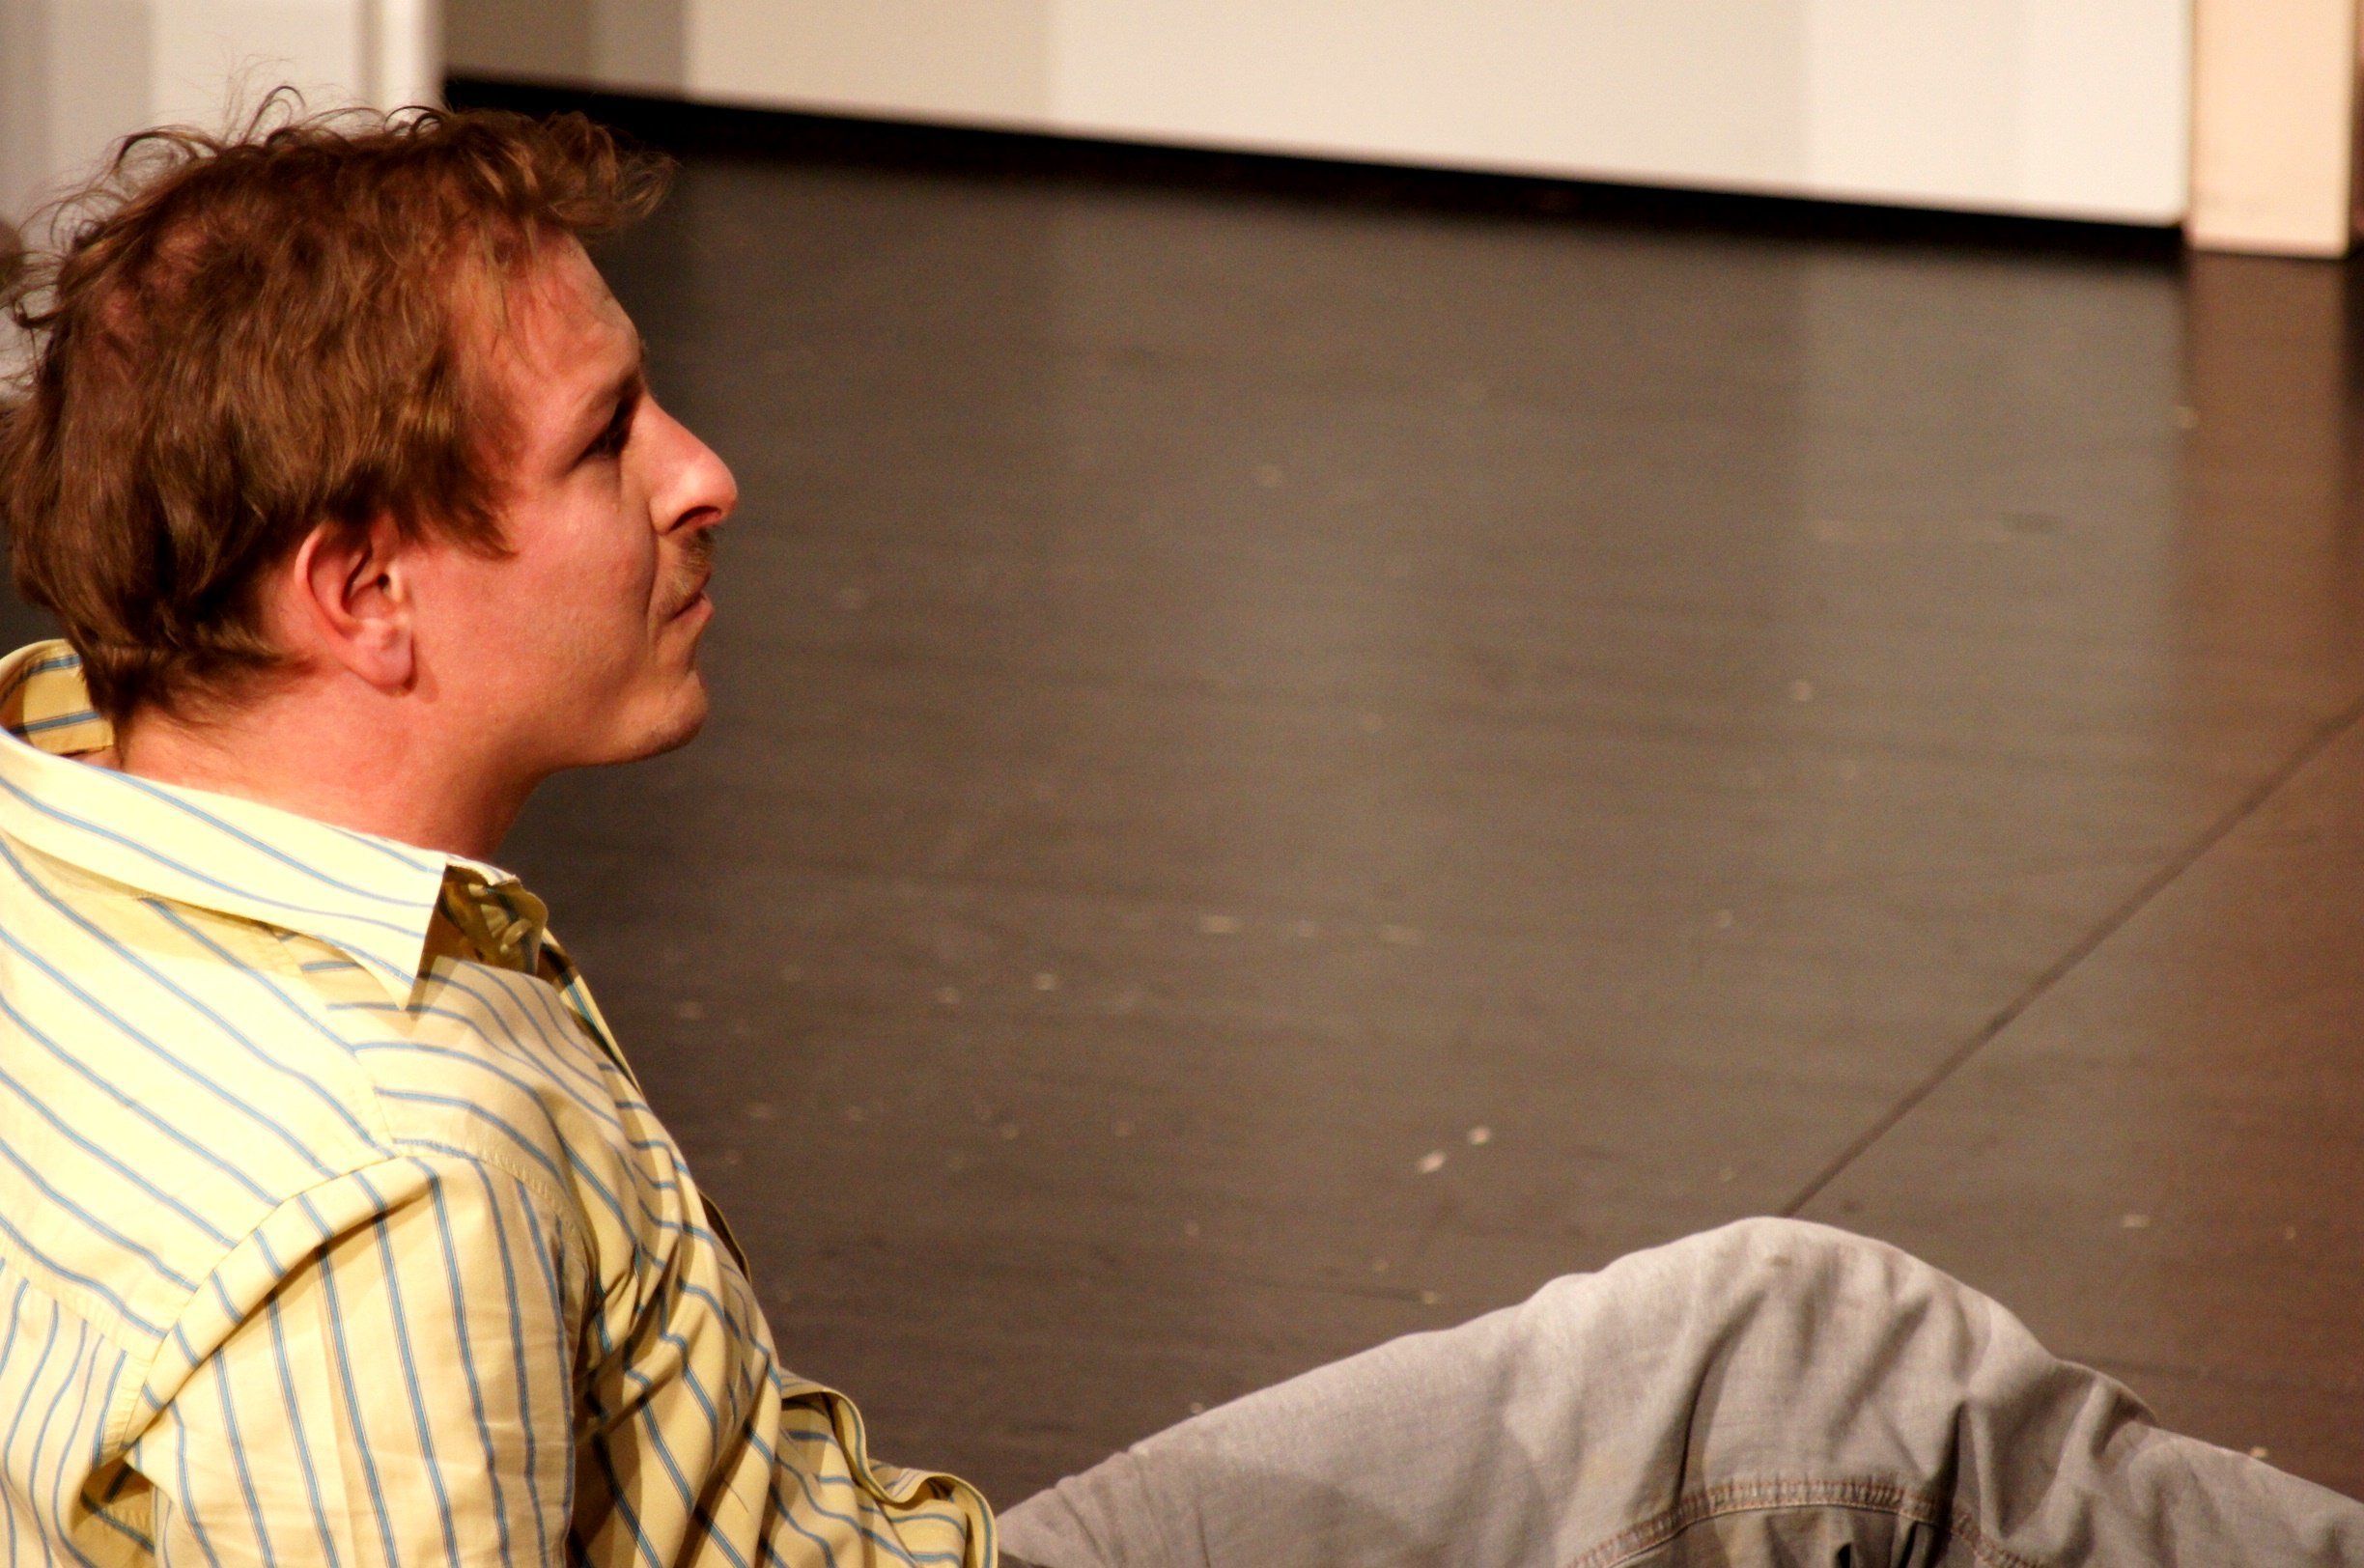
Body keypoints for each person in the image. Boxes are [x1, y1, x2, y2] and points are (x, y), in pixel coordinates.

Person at [0, 100, 2354, 1568]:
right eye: (608, 440)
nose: (707, 470)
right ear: (365, 592)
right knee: (1829, 1388)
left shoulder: (70, 808)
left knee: (1785, 1347)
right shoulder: (390, 1200)